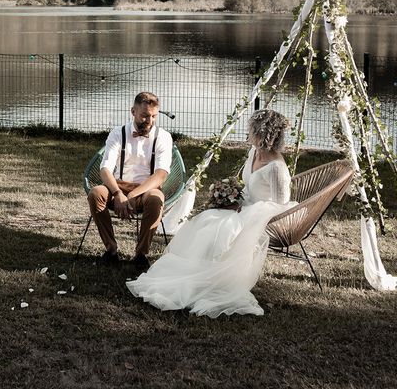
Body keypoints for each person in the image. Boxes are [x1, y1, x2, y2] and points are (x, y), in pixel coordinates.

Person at [127, 109, 295, 317]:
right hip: (243, 205)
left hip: (260, 214)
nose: (248, 132)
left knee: (220, 226)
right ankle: (191, 273)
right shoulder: (254, 152)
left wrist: (247, 210)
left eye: (252, 129)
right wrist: (230, 197)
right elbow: (248, 185)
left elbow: (281, 204)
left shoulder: (276, 168)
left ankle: (210, 279)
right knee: (206, 219)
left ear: (262, 133)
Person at [87, 92, 173, 269]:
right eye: (145, 116)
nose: (149, 120)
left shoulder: (163, 137)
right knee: (96, 194)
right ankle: (111, 250)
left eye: (154, 116)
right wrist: (118, 193)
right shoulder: (118, 133)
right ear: (133, 111)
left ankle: (141, 254)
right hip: (118, 186)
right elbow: (105, 168)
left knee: (156, 199)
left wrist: (133, 194)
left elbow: (161, 174)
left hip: (147, 188)